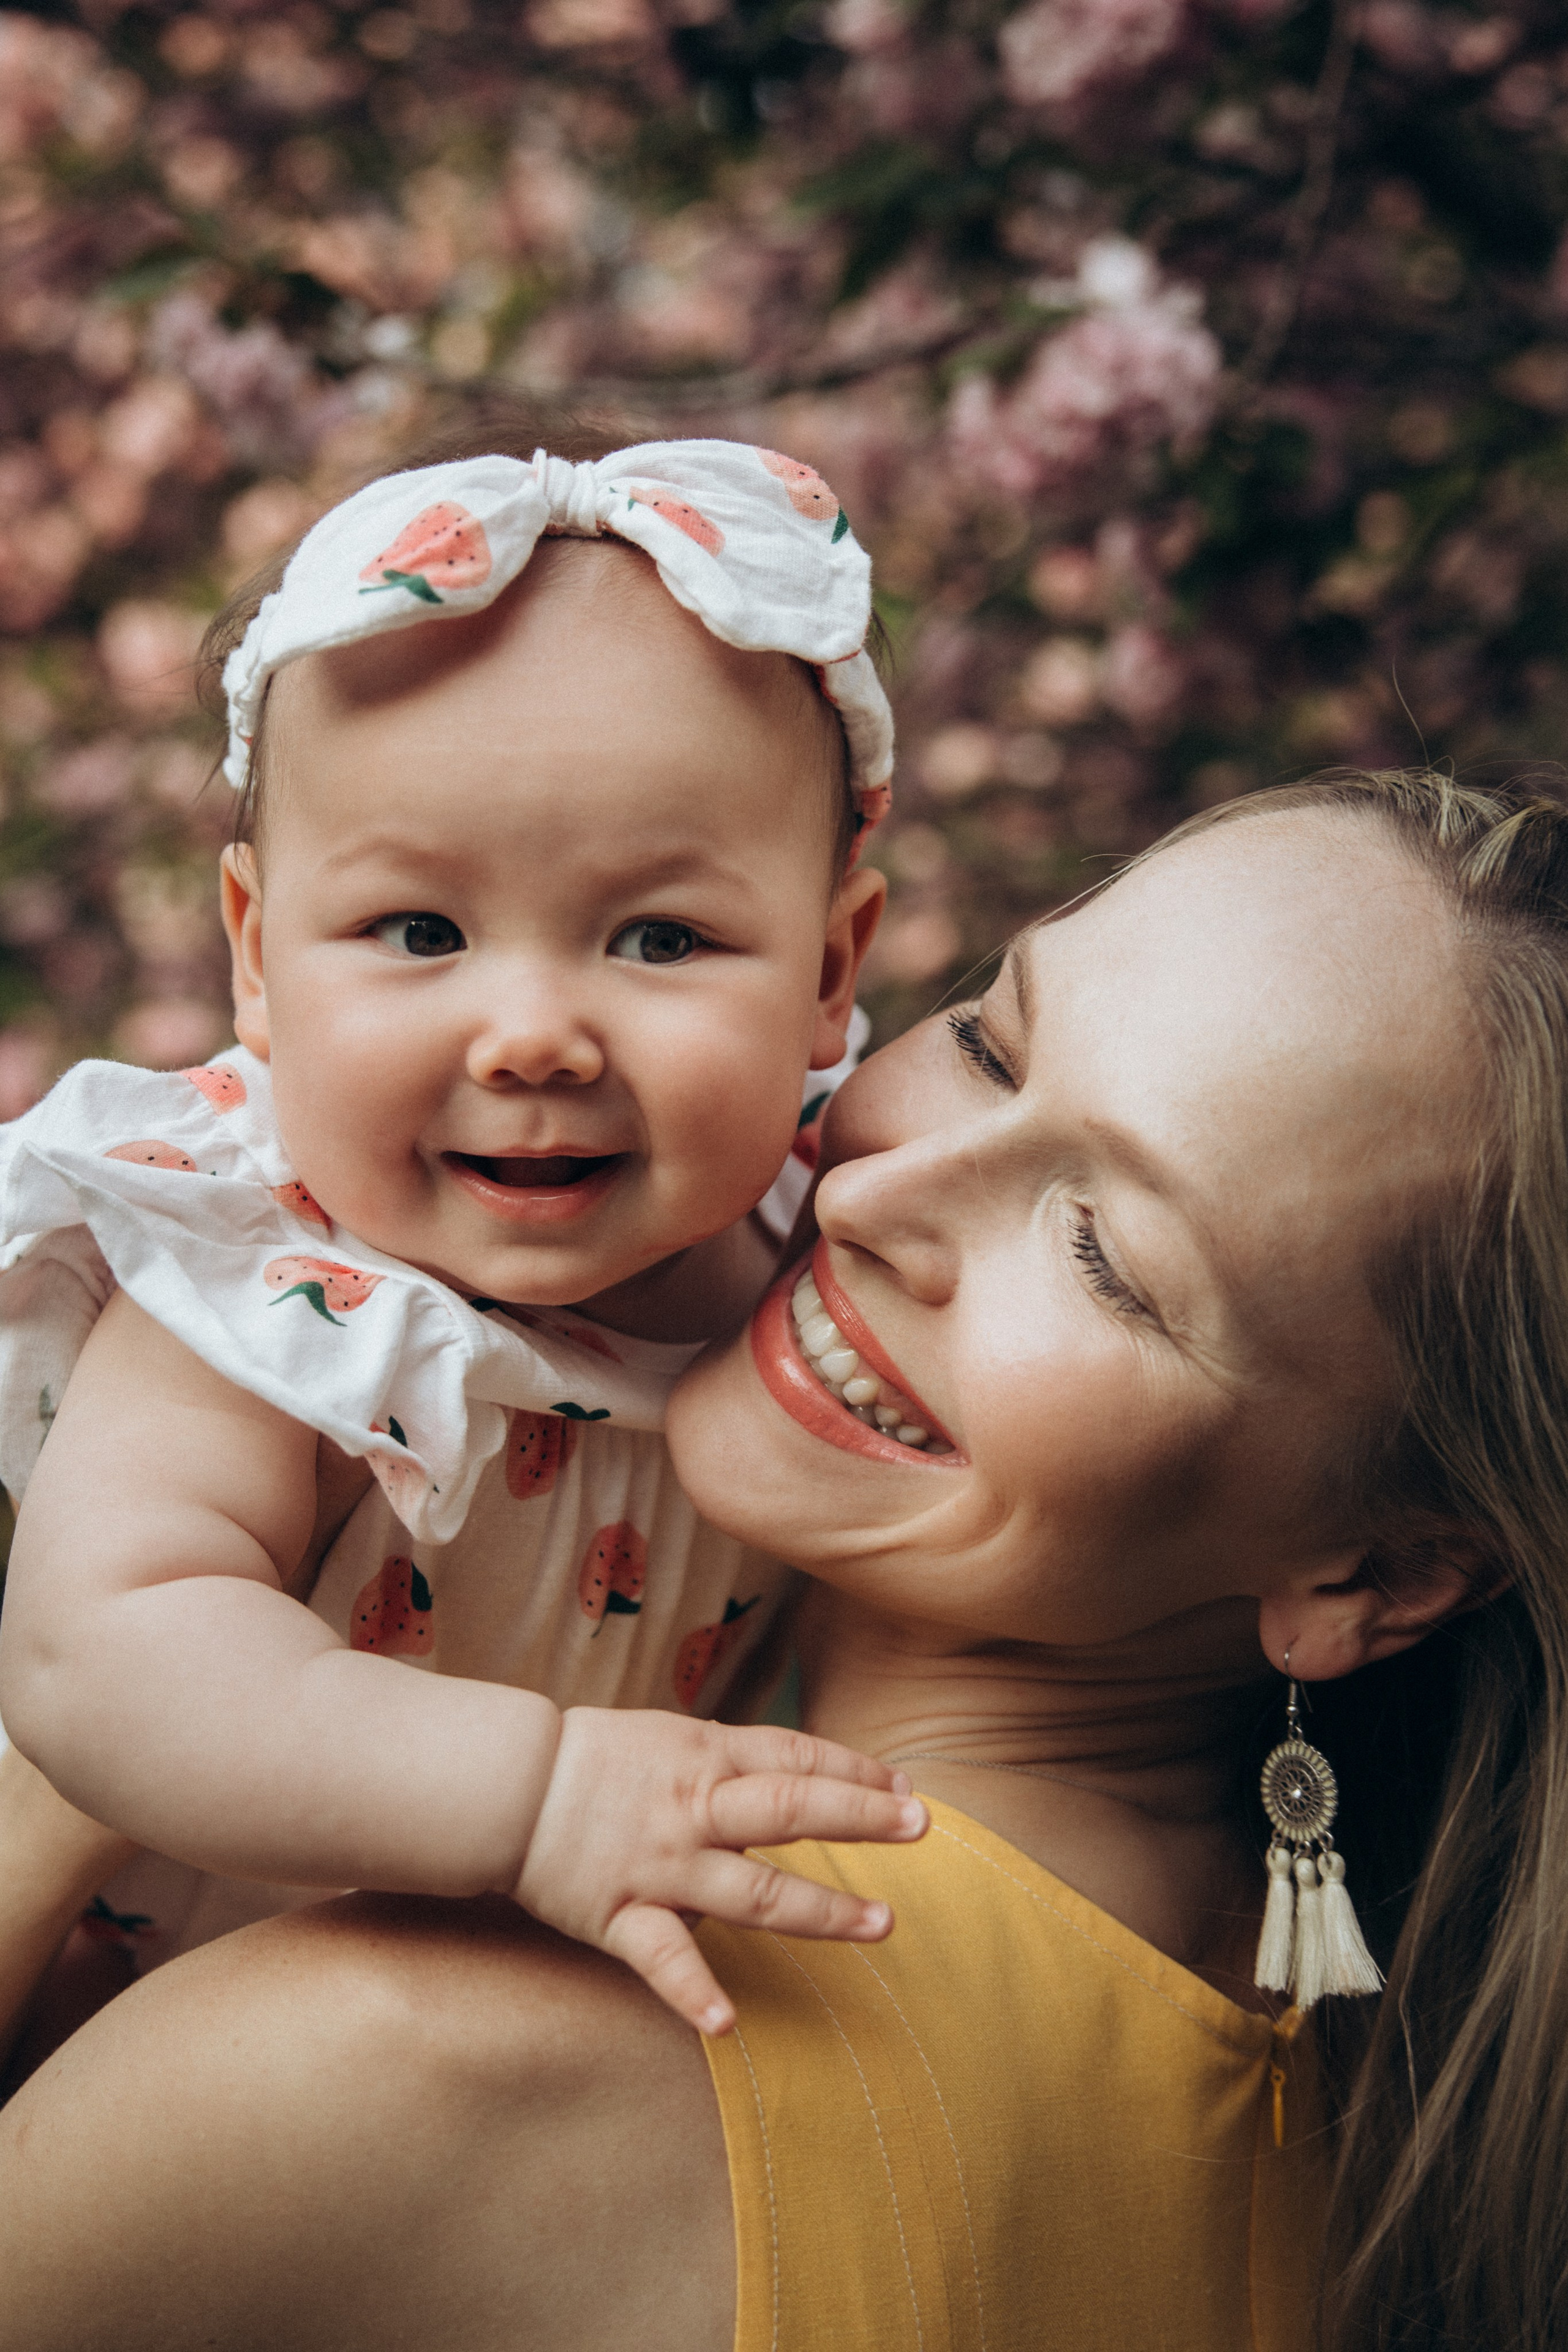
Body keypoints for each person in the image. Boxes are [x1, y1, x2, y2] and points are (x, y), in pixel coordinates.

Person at [4, 768, 1558, 2351]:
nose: (877, 1190)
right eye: (986, 1044)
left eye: (1106, 1257)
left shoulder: (415, 2056)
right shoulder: (1361, 2132)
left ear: (1380, 1577)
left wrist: (55, 1797)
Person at [0, 409, 927, 2056]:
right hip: (96, 2005)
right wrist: (542, 1797)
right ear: (259, 959)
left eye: (661, 937)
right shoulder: (281, 1295)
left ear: (830, 973)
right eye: (419, 930)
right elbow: (103, 1655)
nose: (534, 1036)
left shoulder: (813, 1284)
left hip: (469, 2054)